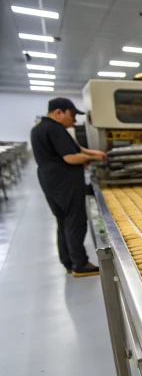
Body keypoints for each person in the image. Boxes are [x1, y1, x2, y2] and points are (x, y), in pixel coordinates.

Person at [30, 98, 106, 277]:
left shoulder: (40, 128)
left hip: (50, 181)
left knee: (63, 221)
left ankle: (68, 262)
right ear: (59, 112)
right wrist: (95, 159)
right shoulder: (55, 129)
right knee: (75, 222)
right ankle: (80, 264)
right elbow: (70, 157)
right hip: (65, 183)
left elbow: (76, 148)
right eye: (71, 115)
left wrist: (93, 152)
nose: (74, 120)